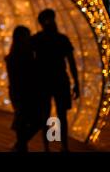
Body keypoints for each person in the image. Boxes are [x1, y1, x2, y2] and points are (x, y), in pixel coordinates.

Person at [31, 9, 80, 152]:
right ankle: (63, 146)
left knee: (46, 114)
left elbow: (29, 61)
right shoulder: (61, 39)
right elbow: (71, 63)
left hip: (44, 81)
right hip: (59, 80)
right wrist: (76, 83)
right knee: (60, 115)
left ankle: (48, 147)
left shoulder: (36, 39)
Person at [5, 26, 42, 152]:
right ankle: (21, 145)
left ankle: (20, 144)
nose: (29, 38)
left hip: (20, 92)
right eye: (27, 35)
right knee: (28, 119)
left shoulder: (17, 54)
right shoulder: (21, 55)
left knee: (25, 119)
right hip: (23, 92)